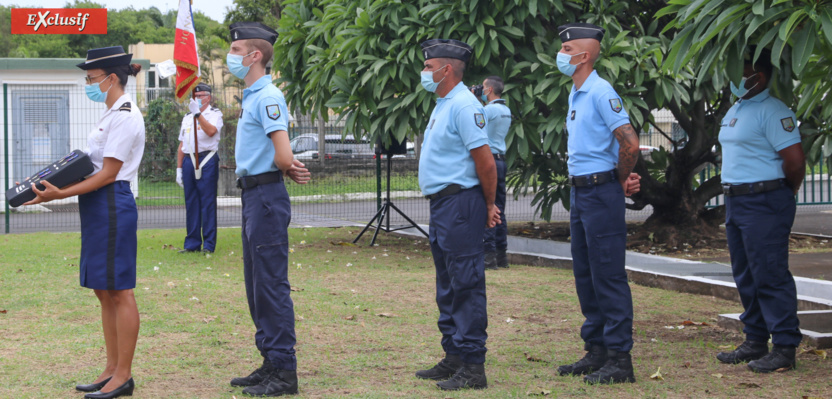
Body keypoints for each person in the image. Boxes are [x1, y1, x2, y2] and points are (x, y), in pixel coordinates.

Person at [25, 46, 145, 399]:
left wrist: (58, 195)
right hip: (97, 205)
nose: (89, 84)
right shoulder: (110, 114)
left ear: (111, 77)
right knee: (103, 289)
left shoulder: (125, 114)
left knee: (120, 290)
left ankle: (123, 375)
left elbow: (109, 173)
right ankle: (110, 369)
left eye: (92, 79)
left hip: (111, 202)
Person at [224, 22, 311, 397]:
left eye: (236, 49)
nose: (232, 56)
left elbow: (283, 153)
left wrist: (286, 164)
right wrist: (286, 164)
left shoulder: (268, 96)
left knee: (271, 283)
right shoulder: (253, 96)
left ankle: (284, 370)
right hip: (255, 196)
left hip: (266, 197)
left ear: (254, 55)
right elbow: (282, 157)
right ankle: (270, 360)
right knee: (257, 283)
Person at [553, 23, 642, 385]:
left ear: (584, 55)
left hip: (601, 192)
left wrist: (621, 178)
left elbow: (630, 143)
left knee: (608, 273)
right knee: (586, 274)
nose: (561, 53)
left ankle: (620, 359)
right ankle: (597, 350)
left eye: (568, 47)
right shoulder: (576, 94)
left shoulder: (601, 91)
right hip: (581, 192)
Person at [413, 38, 501, 391]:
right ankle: (453, 355)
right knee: (448, 284)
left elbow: (486, 162)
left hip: (461, 203)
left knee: (465, 284)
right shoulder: (443, 103)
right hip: (444, 205)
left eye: (428, 67)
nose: (424, 73)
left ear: (446, 69)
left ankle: (473, 365)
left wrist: (490, 204)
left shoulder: (464, 105)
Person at [715, 48, 805, 373]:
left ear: (759, 77)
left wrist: (785, 192)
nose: (735, 79)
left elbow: (794, 161)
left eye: (742, 72)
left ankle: (784, 347)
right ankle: (755, 340)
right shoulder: (737, 108)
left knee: (769, 273)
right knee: (745, 273)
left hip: (765, 200)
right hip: (738, 201)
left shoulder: (773, 110)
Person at [176, 83, 224, 253]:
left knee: (207, 202)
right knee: (191, 202)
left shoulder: (215, 114)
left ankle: (209, 244)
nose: (198, 98)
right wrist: (179, 168)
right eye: (196, 96)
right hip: (189, 159)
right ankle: (192, 243)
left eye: (202, 95)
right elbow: (182, 143)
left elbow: (211, 131)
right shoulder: (187, 117)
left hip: (207, 159)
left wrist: (198, 114)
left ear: (209, 97)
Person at [475, 76, 512, 270]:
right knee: (500, 209)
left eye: (482, 87)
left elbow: (477, 128)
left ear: (488, 90)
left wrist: (474, 101)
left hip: (488, 161)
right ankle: (501, 255)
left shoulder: (487, 110)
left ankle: (488, 257)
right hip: (501, 161)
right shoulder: (506, 110)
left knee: (488, 208)